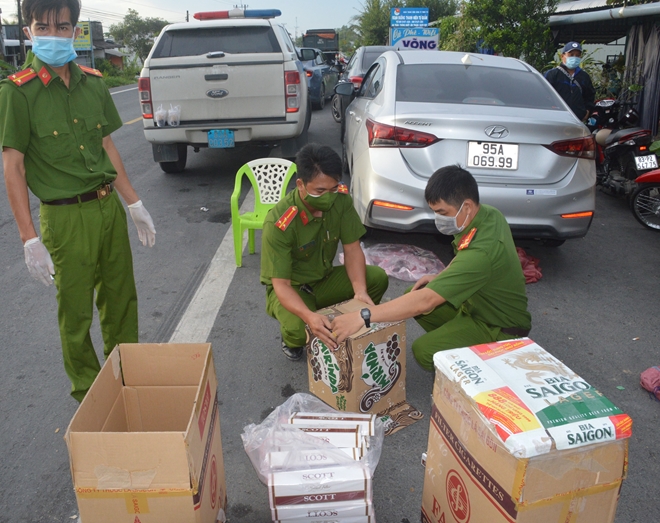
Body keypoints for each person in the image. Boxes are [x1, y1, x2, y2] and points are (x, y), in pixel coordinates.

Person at [0, 0, 156, 401]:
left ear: (75, 30)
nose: (54, 35)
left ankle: (129, 380)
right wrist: (28, 238)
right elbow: (13, 168)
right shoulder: (18, 93)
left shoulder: (94, 83)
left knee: (122, 300)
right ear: (28, 32)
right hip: (65, 218)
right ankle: (90, 396)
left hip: (107, 207)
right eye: (43, 27)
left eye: (63, 26)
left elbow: (107, 147)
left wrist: (134, 204)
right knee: (76, 314)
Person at [331, 165, 531, 371]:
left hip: (499, 329)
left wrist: (362, 316)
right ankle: (459, 344)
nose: (439, 219)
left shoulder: (482, 253)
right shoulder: (489, 215)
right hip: (476, 308)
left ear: (467, 206)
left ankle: (479, 373)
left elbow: (426, 302)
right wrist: (442, 276)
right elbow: (464, 254)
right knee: (415, 292)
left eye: (443, 212)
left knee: (425, 350)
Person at [260, 143, 388, 361]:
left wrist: (359, 291)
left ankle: (347, 320)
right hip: (294, 288)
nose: (329, 197)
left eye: (333, 188)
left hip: (324, 281)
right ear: (301, 184)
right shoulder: (279, 222)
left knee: (376, 278)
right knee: (301, 331)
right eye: (320, 191)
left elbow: (352, 249)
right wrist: (309, 316)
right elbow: (281, 284)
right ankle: (291, 339)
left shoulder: (341, 202)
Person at [544, 41, 595, 122]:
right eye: (571, 55)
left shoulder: (584, 77)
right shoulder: (552, 75)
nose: (574, 58)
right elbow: (544, 95)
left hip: (578, 120)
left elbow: (590, 96)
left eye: (577, 55)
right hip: (556, 120)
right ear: (562, 56)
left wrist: (587, 112)